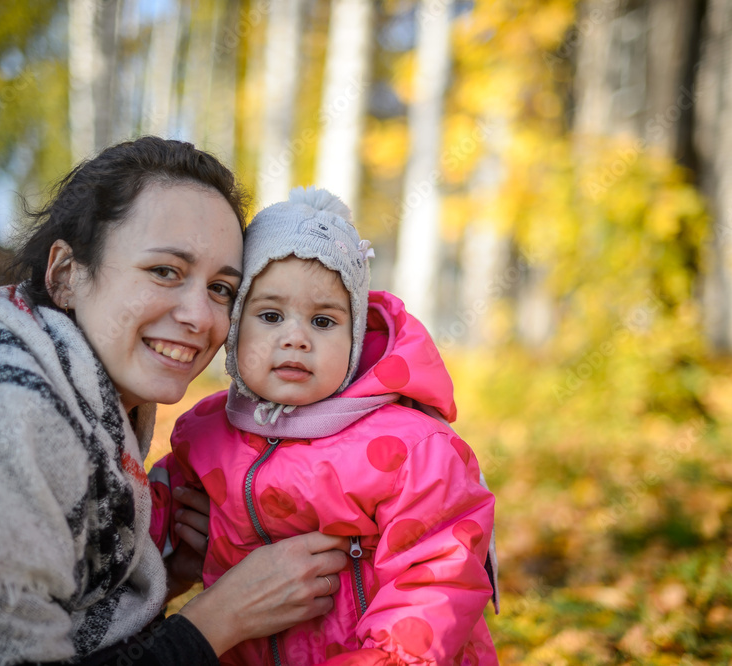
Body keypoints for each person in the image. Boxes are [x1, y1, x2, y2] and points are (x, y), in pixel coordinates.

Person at [0, 137, 348, 666]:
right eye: (165, 271)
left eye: (221, 288)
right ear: (66, 275)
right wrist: (221, 616)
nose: (201, 316)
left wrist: (172, 570)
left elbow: (63, 622)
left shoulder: (84, 405)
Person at [151, 187, 498, 665]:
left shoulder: (410, 448)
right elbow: (140, 522)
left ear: (355, 337)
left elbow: (435, 579)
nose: (296, 338)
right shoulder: (206, 434)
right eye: (270, 316)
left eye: (323, 321)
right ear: (233, 329)